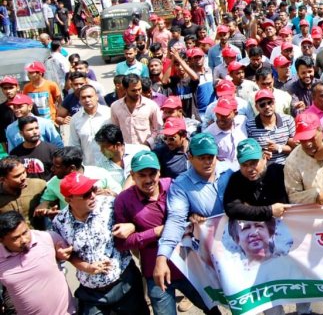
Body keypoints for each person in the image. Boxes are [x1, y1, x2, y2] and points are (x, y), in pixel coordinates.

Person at [114, 151, 216, 315]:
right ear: (132, 175)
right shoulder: (123, 200)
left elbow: (193, 211)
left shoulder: (173, 185)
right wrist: (154, 232)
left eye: (152, 174)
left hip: (188, 267)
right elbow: (121, 244)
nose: (148, 180)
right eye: (142, 175)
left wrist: (193, 215)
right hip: (156, 273)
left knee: (212, 308)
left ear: (159, 172)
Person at [51, 172, 149, 314]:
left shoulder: (110, 205)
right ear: (68, 199)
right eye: (85, 194)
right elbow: (68, 254)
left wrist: (132, 226)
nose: (92, 196)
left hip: (125, 282)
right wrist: (85, 266)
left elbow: (141, 217)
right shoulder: (60, 222)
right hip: (91, 292)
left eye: (93, 189)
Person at [153, 133, 228, 295]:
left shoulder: (230, 170)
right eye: (202, 158)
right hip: (212, 250)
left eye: (211, 157)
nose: (208, 162)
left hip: (241, 243)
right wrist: (162, 257)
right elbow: (175, 221)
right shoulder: (181, 185)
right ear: (190, 157)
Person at [0, 211, 76, 315]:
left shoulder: (48, 238)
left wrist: (62, 257)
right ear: (1, 240)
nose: (24, 240)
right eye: (16, 238)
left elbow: (75, 256)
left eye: (25, 232)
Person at [33, 146, 121, 218]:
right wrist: (46, 209)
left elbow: (120, 193)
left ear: (72, 168)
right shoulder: (54, 182)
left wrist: (109, 193)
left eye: (57, 166)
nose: (52, 169)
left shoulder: (100, 173)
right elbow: (46, 201)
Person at [283, 113, 323, 205]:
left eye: (311, 138)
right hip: (320, 214)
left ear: (321, 131)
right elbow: (293, 196)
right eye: (303, 139)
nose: (308, 144)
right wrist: (314, 195)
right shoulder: (292, 162)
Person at [9, 116, 55, 181]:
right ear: (21, 133)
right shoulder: (15, 153)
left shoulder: (52, 150)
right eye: (30, 129)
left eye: (36, 128)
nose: (35, 132)